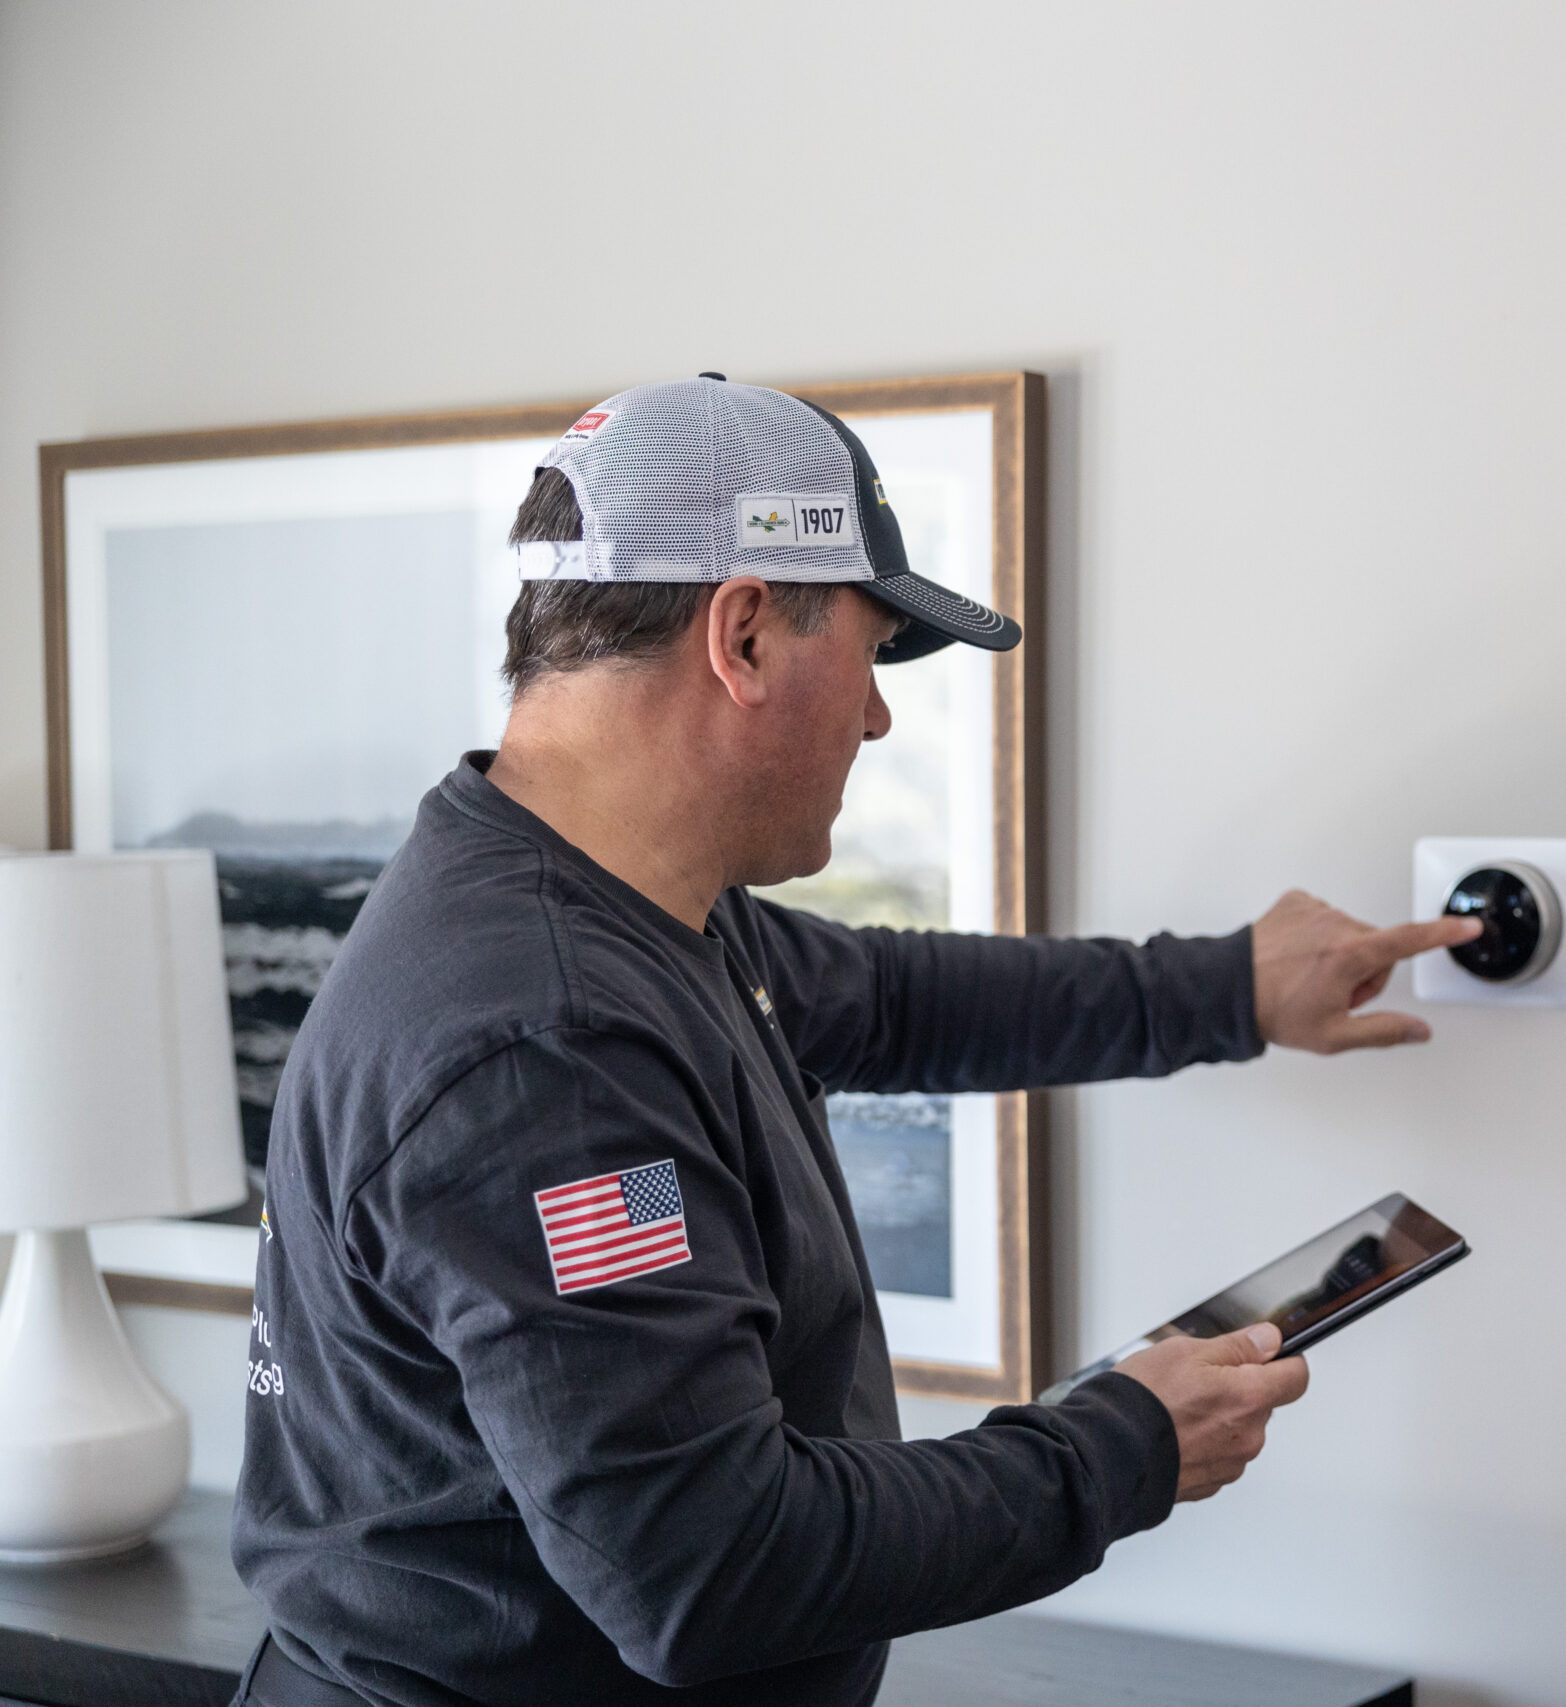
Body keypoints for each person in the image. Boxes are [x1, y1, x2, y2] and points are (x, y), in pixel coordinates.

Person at [228, 376, 1477, 1707]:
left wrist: (1231, 988)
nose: (879, 718)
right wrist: (1125, 1445)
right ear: (747, 634)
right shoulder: (553, 1042)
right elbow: (708, 1567)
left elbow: (896, 1000)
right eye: (873, 658)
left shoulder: (627, 911)